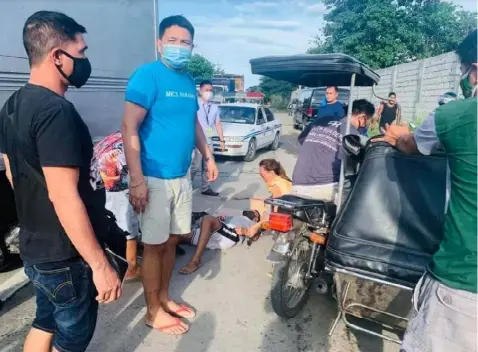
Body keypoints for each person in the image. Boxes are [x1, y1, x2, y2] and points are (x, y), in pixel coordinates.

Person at [0, 11, 121, 352]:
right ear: (57, 56)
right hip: (65, 255)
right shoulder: (56, 112)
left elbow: (12, 172)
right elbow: (64, 196)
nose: (84, 60)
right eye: (81, 52)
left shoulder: (11, 105)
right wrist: (100, 265)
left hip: (35, 248)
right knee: (71, 339)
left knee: (45, 320)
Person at [377, 29, 477, 352]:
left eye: (466, 71)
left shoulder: (454, 117)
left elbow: (409, 143)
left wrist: (397, 136)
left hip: (460, 286)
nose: (465, 78)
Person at [122, 15, 218, 335]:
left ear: (192, 46)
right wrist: (137, 180)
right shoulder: (148, 76)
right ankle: (152, 311)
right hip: (153, 176)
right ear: (160, 43)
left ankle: (164, 298)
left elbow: (193, 125)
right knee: (153, 245)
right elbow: (129, 126)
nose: (179, 47)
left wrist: (208, 155)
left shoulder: (188, 81)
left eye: (185, 42)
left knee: (170, 242)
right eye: (173, 41)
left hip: (181, 176)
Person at [292, 99, 375, 202]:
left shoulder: (322, 121)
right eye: (369, 121)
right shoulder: (354, 136)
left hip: (297, 182)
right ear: (362, 118)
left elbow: (302, 140)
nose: (367, 125)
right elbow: (355, 167)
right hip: (325, 187)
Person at [92, 132, 141, 280]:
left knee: (111, 225)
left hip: (99, 187)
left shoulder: (112, 137)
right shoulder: (133, 142)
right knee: (129, 229)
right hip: (118, 189)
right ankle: (131, 268)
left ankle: (113, 259)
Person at [178, 211, 257, 274]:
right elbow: (219, 212)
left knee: (208, 218)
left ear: (256, 219)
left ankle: (195, 260)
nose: (254, 211)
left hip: (229, 235)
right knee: (176, 236)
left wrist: (245, 231)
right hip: (214, 231)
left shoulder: (252, 223)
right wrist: (242, 212)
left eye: (256, 213)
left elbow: (255, 234)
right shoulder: (237, 214)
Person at [191, 80, 224, 196]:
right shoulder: (195, 104)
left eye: (210, 90)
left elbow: (218, 123)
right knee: (195, 166)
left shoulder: (214, 107)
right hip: (197, 141)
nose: (209, 93)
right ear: (200, 91)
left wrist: (222, 140)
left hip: (209, 141)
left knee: (207, 166)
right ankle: (187, 185)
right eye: (206, 90)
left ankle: (206, 188)